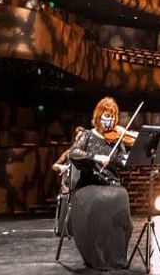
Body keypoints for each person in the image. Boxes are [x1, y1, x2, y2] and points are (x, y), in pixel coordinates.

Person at [67, 97, 134, 270]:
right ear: (98, 116)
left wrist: (132, 158)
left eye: (112, 116)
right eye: (106, 115)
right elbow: (73, 154)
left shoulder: (116, 140)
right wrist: (95, 157)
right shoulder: (88, 136)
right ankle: (96, 253)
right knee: (102, 199)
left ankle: (117, 256)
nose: (109, 119)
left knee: (121, 195)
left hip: (111, 184)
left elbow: (121, 161)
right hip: (89, 186)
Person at [52, 126, 85, 236]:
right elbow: (54, 166)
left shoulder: (87, 155)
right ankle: (65, 229)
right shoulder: (68, 153)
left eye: (83, 137)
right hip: (69, 185)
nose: (80, 139)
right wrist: (61, 167)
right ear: (74, 138)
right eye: (79, 137)